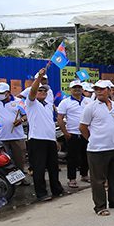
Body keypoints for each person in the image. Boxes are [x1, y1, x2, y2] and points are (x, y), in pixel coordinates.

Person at [80, 80, 114, 216]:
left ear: (110, 90)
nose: (98, 91)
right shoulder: (91, 107)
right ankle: (100, 206)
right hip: (96, 150)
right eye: (96, 89)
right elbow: (83, 127)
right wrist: (91, 139)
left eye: (102, 89)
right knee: (98, 180)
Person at [25, 68, 65, 202]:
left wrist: (55, 140)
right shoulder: (31, 103)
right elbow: (32, 92)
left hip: (49, 139)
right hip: (37, 140)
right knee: (39, 168)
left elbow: (50, 123)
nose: (42, 92)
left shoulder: (48, 105)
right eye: (40, 90)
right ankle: (41, 193)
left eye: (44, 91)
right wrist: (39, 78)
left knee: (54, 167)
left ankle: (57, 189)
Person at [57, 79, 90, 189]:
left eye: (79, 87)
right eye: (74, 88)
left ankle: (84, 175)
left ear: (82, 89)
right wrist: (65, 132)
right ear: (70, 89)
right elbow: (60, 118)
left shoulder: (88, 101)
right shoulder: (65, 102)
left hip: (86, 133)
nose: (77, 89)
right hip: (72, 133)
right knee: (72, 158)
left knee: (86, 155)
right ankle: (72, 179)